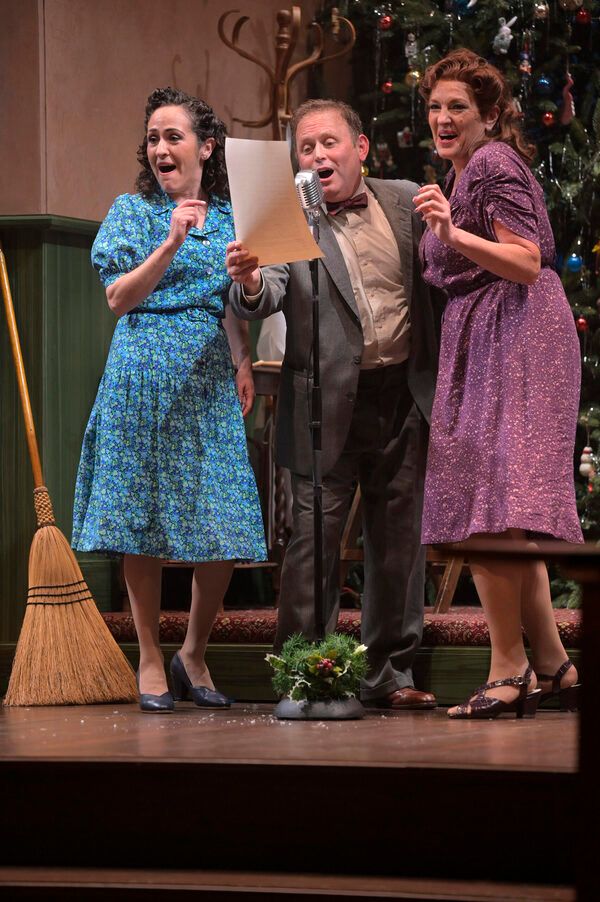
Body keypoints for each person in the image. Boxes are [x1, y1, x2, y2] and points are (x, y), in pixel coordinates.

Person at [226, 99, 441, 709]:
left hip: (400, 394)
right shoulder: (285, 213)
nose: (318, 156)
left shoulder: (403, 200)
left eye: (329, 144)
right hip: (321, 400)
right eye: (306, 147)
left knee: (398, 540)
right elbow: (262, 293)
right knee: (311, 540)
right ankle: (303, 675)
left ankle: (389, 677)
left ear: (362, 148)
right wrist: (245, 278)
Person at [72, 87, 267, 713]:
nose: (160, 148)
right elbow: (119, 298)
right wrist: (172, 241)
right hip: (141, 372)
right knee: (144, 519)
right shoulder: (131, 211)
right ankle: (151, 659)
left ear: (206, 148)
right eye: (153, 138)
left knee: (226, 519)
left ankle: (193, 651)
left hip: (208, 374)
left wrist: (242, 355)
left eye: (173, 136)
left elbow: (233, 303)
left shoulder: (233, 219)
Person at [415, 49, 582, 719]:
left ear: (488, 114)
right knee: (503, 513)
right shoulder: (459, 175)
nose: (442, 118)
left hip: (516, 331)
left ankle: (507, 669)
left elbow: (526, 259)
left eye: (458, 106)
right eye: (435, 106)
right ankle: (553, 665)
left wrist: (451, 232)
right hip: (488, 334)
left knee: (488, 510)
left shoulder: (490, 164)